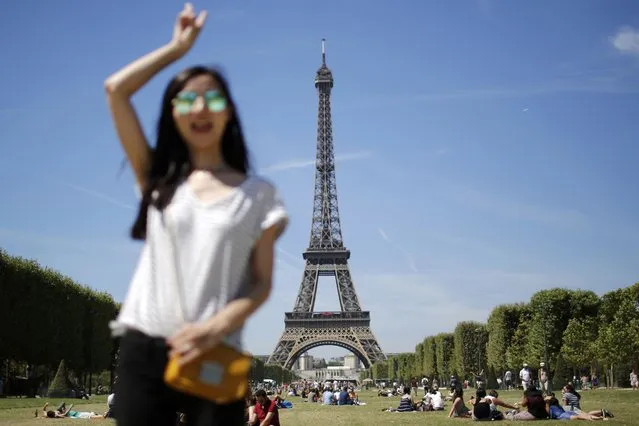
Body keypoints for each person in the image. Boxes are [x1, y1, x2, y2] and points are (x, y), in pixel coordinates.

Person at [105, 4, 288, 426]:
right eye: (188, 98)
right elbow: (115, 89)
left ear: (229, 111)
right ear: (174, 111)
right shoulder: (158, 180)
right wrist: (177, 48)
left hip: (215, 350)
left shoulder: (258, 193)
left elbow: (261, 285)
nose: (201, 106)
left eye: (213, 97)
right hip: (145, 346)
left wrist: (213, 327)